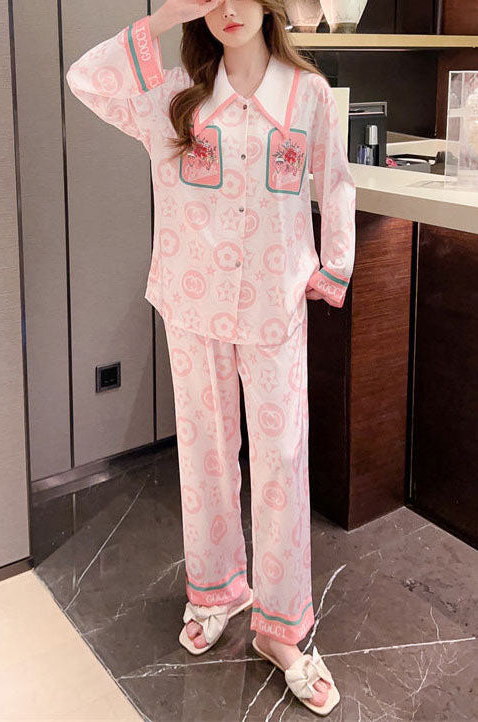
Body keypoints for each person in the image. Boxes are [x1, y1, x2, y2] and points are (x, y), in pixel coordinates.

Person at [66, 0, 355, 713]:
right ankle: (218, 588)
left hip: (273, 305)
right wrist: (167, 16)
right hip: (192, 304)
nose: (227, 8)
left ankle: (284, 627)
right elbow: (85, 79)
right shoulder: (174, 98)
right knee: (203, 455)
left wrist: (333, 267)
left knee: (283, 459)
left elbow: (335, 182)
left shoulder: (308, 95)